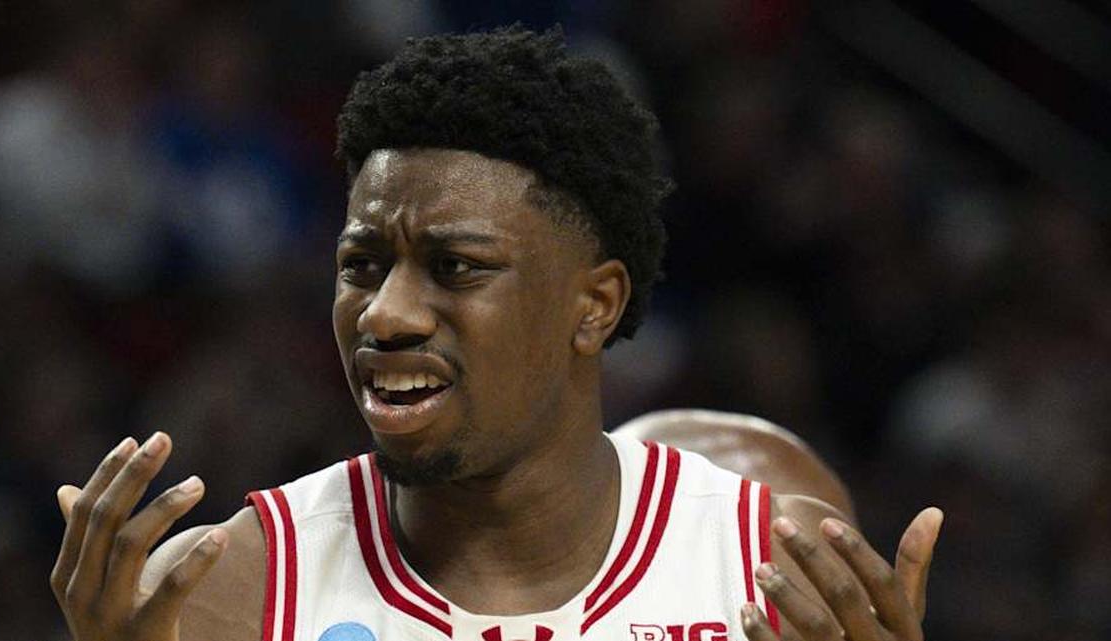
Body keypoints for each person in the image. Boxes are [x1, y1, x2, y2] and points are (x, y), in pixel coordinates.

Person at [49, 27, 942, 641]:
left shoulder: (771, 568)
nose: (386, 314)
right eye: (362, 264)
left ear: (591, 306)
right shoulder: (227, 587)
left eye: (457, 266)